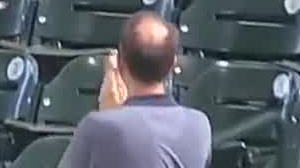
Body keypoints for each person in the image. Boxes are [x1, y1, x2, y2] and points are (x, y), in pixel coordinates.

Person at [58, 12, 212, 168]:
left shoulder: (97, 126)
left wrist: (108, 116)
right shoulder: (200, 125)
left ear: (120, 63)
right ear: (173, 64)